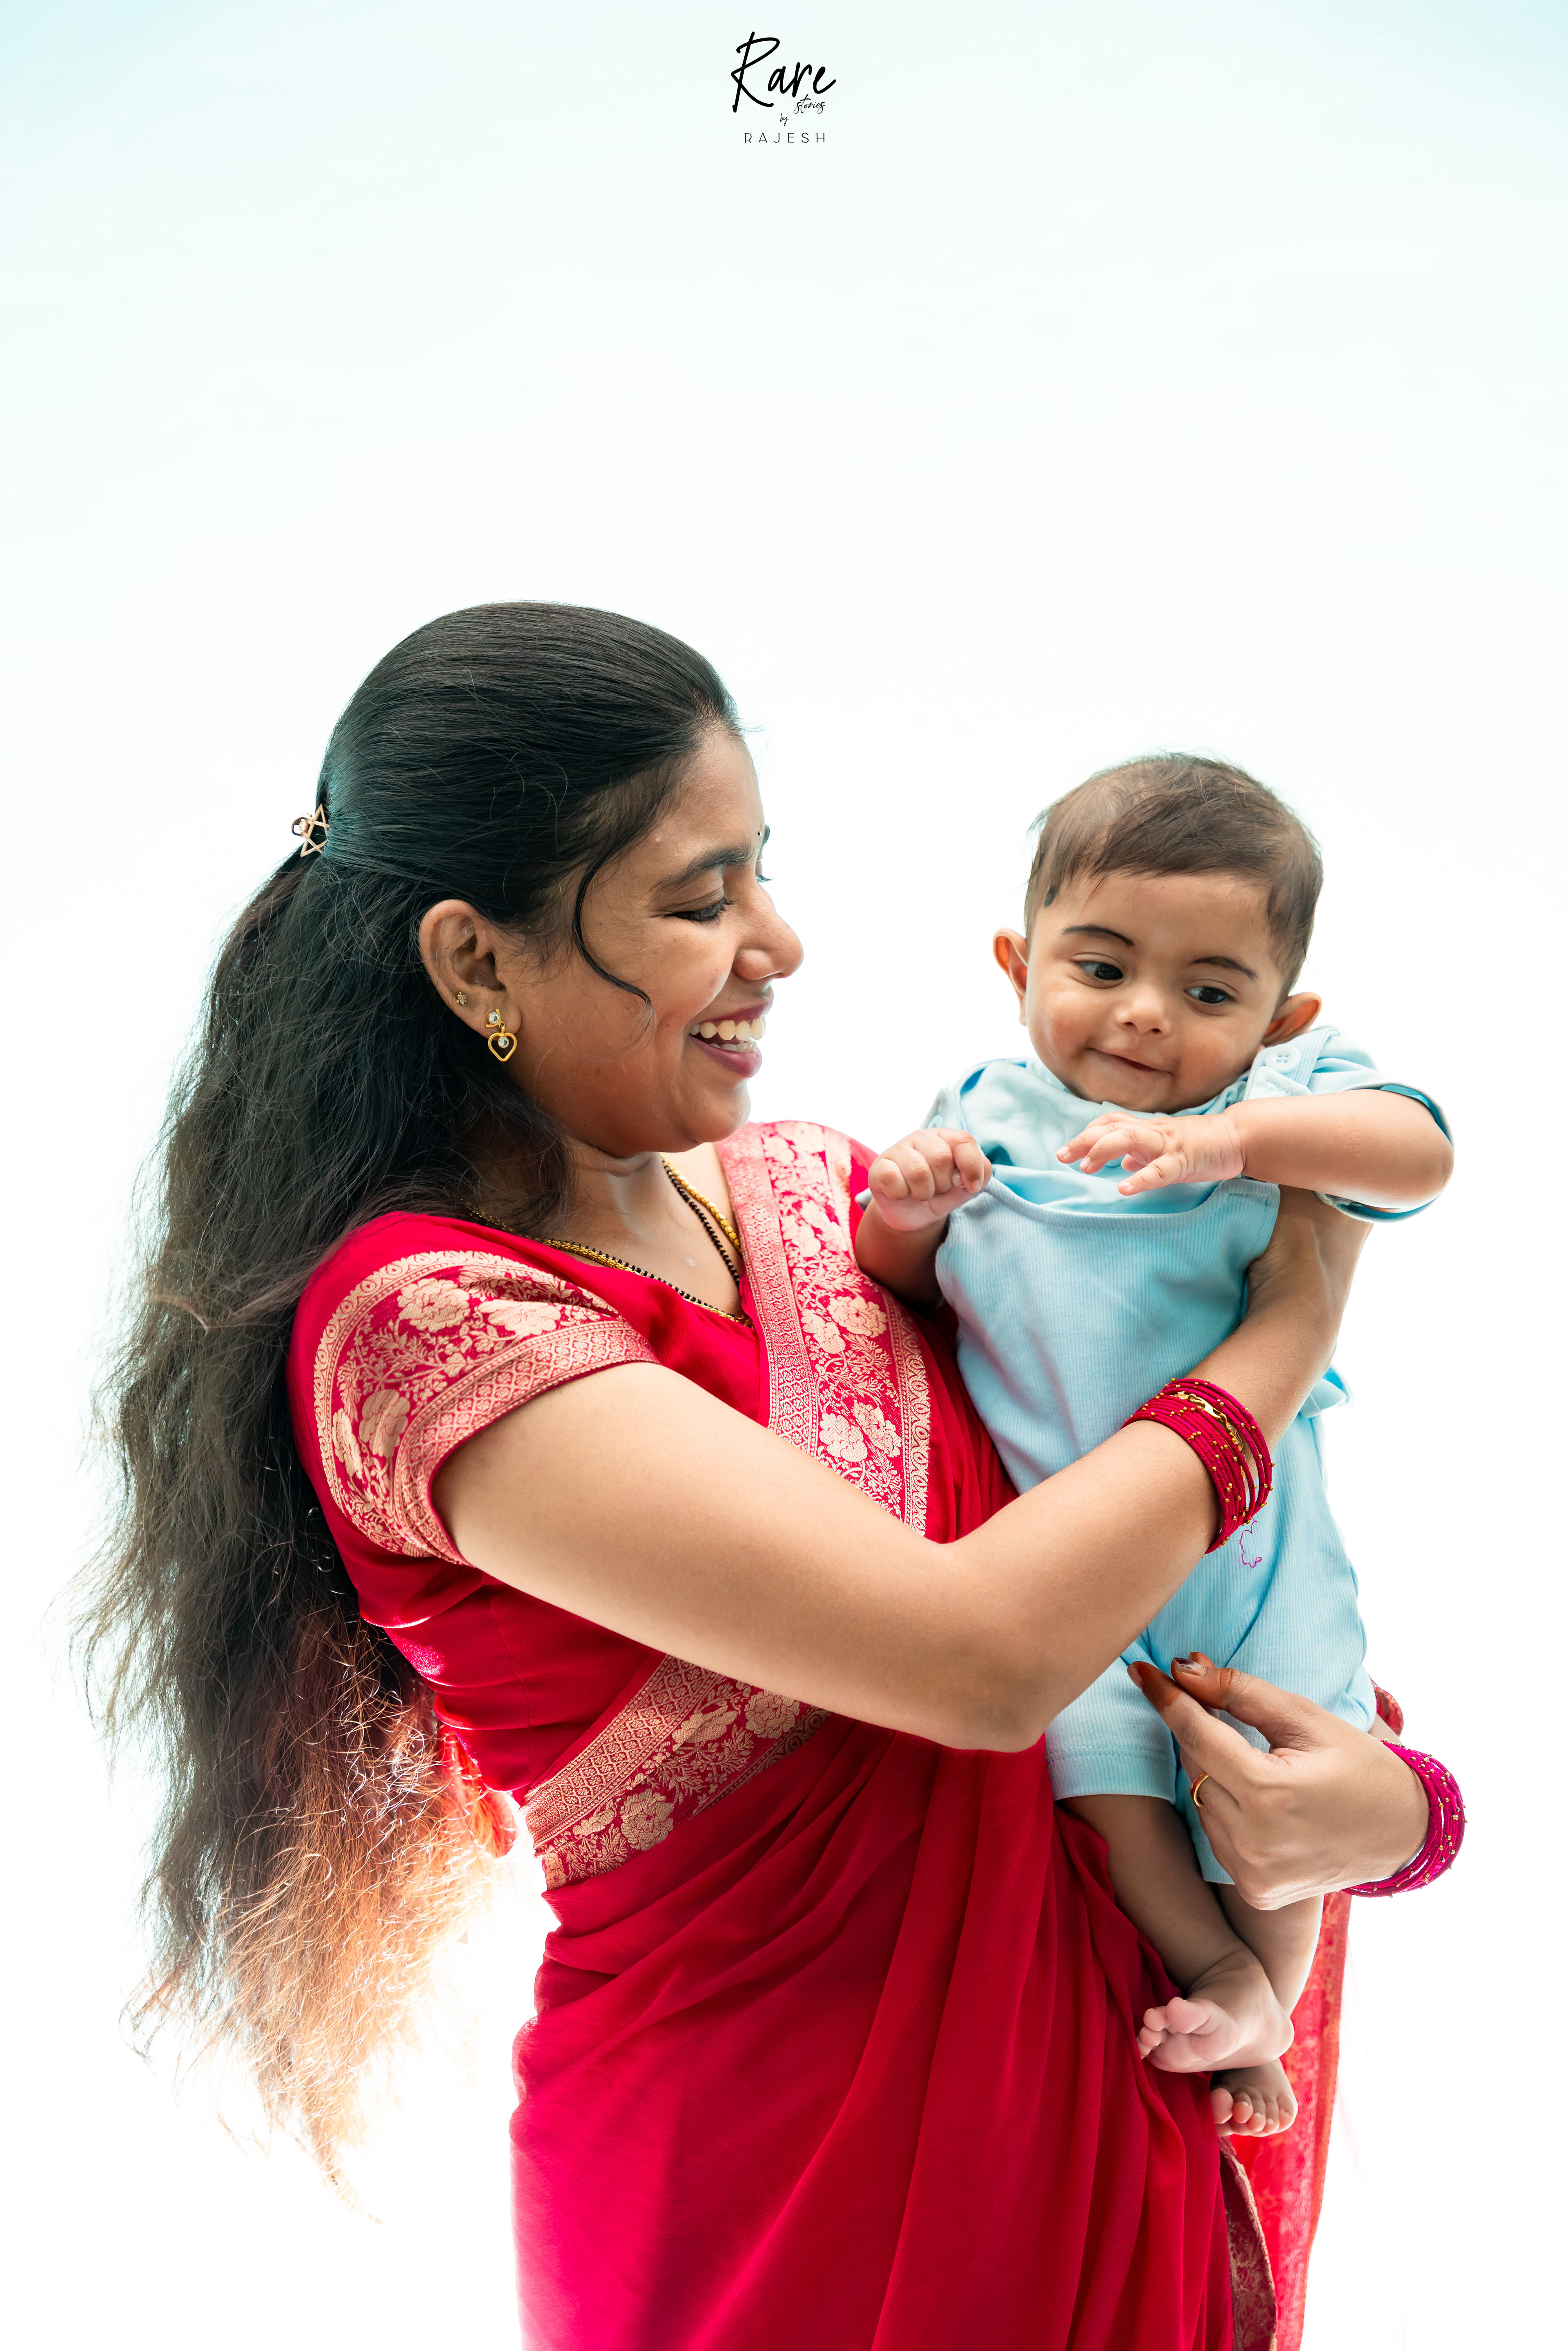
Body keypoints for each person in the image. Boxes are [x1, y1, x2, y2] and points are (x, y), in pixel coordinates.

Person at [80, 608, 1455, 2351]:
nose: (781, 943)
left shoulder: (820, 1192)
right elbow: (986, 1659)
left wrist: (1402, 1815)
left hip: (1109, 2091)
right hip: (787, 2193)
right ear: (477, 961)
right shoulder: (435, 1327)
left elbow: (1166, 1579)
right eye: (699, 899)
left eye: (765, 873)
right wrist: (1293, 1325)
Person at [856, 756, 1454, 2142]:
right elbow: (900, 1285)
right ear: (1018, 964)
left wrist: (1238, 1140)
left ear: (1282, 1016)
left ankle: (1274, 1989)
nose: (1146, 1014)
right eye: (1103, 966)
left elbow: (1421, 1155)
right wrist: (907, 1209)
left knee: (1284, 1764)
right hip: (1063, 1545)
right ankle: (1217, 1976)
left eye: (1209, 992)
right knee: (1101, 1774)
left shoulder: (1283, 1096)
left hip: (1254, 1543)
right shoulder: (980, 1108)